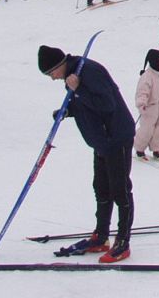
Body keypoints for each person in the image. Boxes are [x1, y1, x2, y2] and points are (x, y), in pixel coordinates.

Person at [38, 44, 136, 264]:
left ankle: (123, 242)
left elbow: (107, 105)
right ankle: (101, 236)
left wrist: (77, 89)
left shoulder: (88, 72)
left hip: (116, 136)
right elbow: (85, 105)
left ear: (58, 65)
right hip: (101, 140)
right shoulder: (73, 76)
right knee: (101, 188)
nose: (52, 78)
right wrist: (67, 111)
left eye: (50, 73)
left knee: (120, 190)